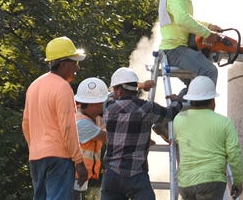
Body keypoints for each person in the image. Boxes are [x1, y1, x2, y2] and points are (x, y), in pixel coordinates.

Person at [23, 36, 89, 200]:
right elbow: (68, 127)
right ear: (64, 63)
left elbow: (25, 124)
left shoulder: (34, 86)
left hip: (36, 158)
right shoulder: (62, 87)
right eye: (74, 62)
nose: (77, 68)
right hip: (59, 159)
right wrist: (79, 162)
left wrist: (36, 148)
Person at [100, 67, 180, 200]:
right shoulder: (147, 108)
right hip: (136, 173)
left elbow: (111, 96)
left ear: (119, 89)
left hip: (111, 174)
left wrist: (141, 85)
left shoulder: (108, 107)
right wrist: (177, 101)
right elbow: (171, 114)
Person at [174, 76, 243, 200]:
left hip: (185, 184)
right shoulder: (224, 122)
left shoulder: (179, 120)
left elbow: (175, 139)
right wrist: (238, 182)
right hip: (211, 182)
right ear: (212, 100)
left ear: (191, 100)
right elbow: (234, 154)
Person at [160, 0, 224, 85]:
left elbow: (187, 19)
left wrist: (208, 26)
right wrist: (207, 33)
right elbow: (182, 20)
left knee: (196, 84)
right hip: (174, 50)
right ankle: (201, 105)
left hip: (179, 49)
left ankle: (180, 104)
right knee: (209, 71)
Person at [74, 77, 109, 200]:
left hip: (80, 176)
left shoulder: (93, 117)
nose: (105, 105)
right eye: (102, 102)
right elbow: (108, 138)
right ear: (93, 104)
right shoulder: (82, 124)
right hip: (73, 176)